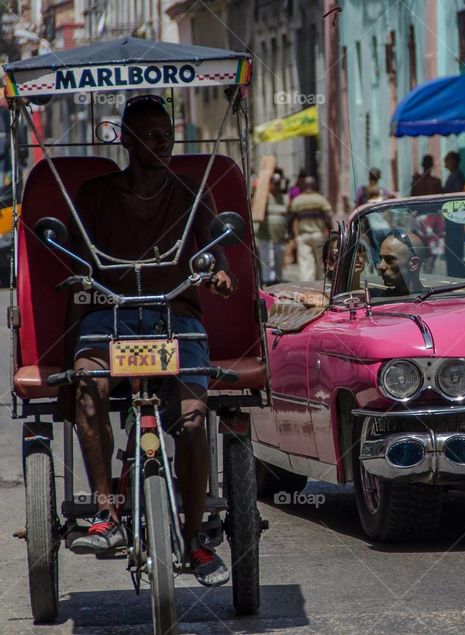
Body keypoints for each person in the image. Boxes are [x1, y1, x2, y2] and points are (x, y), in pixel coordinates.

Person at [64, 94, 234, 587]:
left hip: (175, 313)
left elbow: (215, 245)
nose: (162, 143)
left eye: (167, 134)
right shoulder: (96, 193)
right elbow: (74, 253)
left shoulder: (189, 191)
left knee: (195, 417)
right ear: (127, 140)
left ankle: (196, 532)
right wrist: (79, 276)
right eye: (150, 134)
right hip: (108, 314)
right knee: (88, 393)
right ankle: (106, 514)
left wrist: (220, 272)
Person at [289, 176, 333, 281]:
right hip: (318, 235)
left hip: (303, 236)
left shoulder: (297, 200)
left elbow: (291, 219)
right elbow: (328, 218)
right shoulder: (321, 199)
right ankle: (319, 286)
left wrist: (292, 236)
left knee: (305, 264)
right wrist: (331, 233)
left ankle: (306, 287)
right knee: (321, 263)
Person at [255, 171, 288, 285]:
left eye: (279, 183)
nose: (277, 186)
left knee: (278, 261)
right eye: (275, 183)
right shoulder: (263, 198)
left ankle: (277, 281)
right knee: (268, 261)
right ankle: (268, 283)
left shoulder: (284, 198)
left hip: (280, 236)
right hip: (265, 235)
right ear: (270, 184)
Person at [443, 151, 465, 277]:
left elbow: (458, 198)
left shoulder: (457, 176)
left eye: (447, 159)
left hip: (455, 224)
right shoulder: (453, 175)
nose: (445, 162)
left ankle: (456, 278)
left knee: (455, 253)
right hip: (451, 223)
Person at [379, 228, 425, 296]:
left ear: (414, 263)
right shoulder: (374, 300)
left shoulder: (437, 300)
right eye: (381, 258)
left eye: (389, 259)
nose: (381, 266)